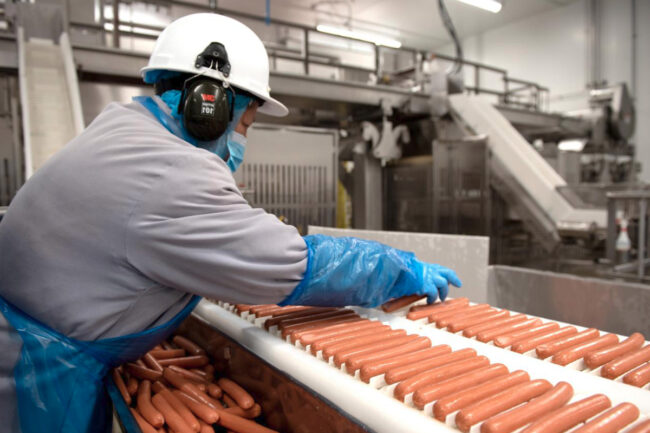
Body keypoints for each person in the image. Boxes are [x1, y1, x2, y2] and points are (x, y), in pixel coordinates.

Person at [0, 13, 461, 433]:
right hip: (37, 380)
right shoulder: (171, 169)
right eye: (246, 123)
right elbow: (292, 266)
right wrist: (400, 269)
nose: (241, 140)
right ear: (209, 103)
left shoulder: (122, 129)